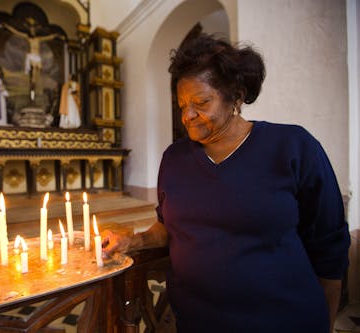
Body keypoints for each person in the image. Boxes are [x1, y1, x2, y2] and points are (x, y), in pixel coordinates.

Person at [101, 26, 350, 333]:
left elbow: (329, 248)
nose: (188, 115)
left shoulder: (293, 147)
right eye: (182, 106)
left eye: (201, 103)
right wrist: (134, 240)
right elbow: (169, 228)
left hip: (285, 320)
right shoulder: (175, 159)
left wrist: (324, 322)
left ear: (236, 96)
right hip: (198, 322)